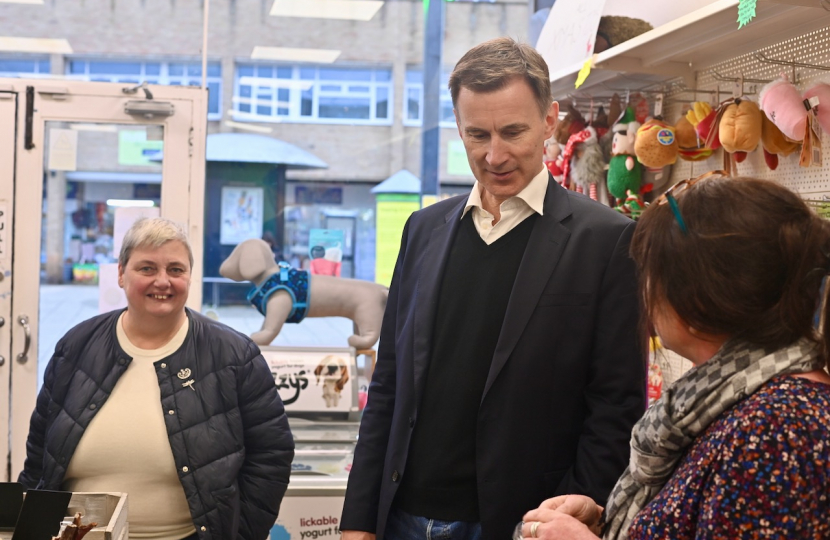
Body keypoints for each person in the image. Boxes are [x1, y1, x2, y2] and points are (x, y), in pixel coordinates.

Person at [340, 37, 645, 540]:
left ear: (549, 121)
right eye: (476, 134)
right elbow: (390, 384)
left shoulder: (607, 239)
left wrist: (567, 518)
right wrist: (358, 520)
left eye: (513, 132)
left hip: (522, 522)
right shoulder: (424, 230)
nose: (494, 154)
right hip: (401, 517)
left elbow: (615, 406)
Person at [519, 174, 830, 540]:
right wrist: (605, 523)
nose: (644, 290)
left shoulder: (777, 430)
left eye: (651, 273)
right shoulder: (727, 397)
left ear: (698, 296)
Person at [18, 217, 295, 540]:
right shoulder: (76, 347)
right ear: (121, 273)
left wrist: (240, 534)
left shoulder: (233, 355)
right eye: (147, 268)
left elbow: (272, 454)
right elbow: (40, 454)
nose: (163, 281)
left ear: (189, 276)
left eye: (175, 270)